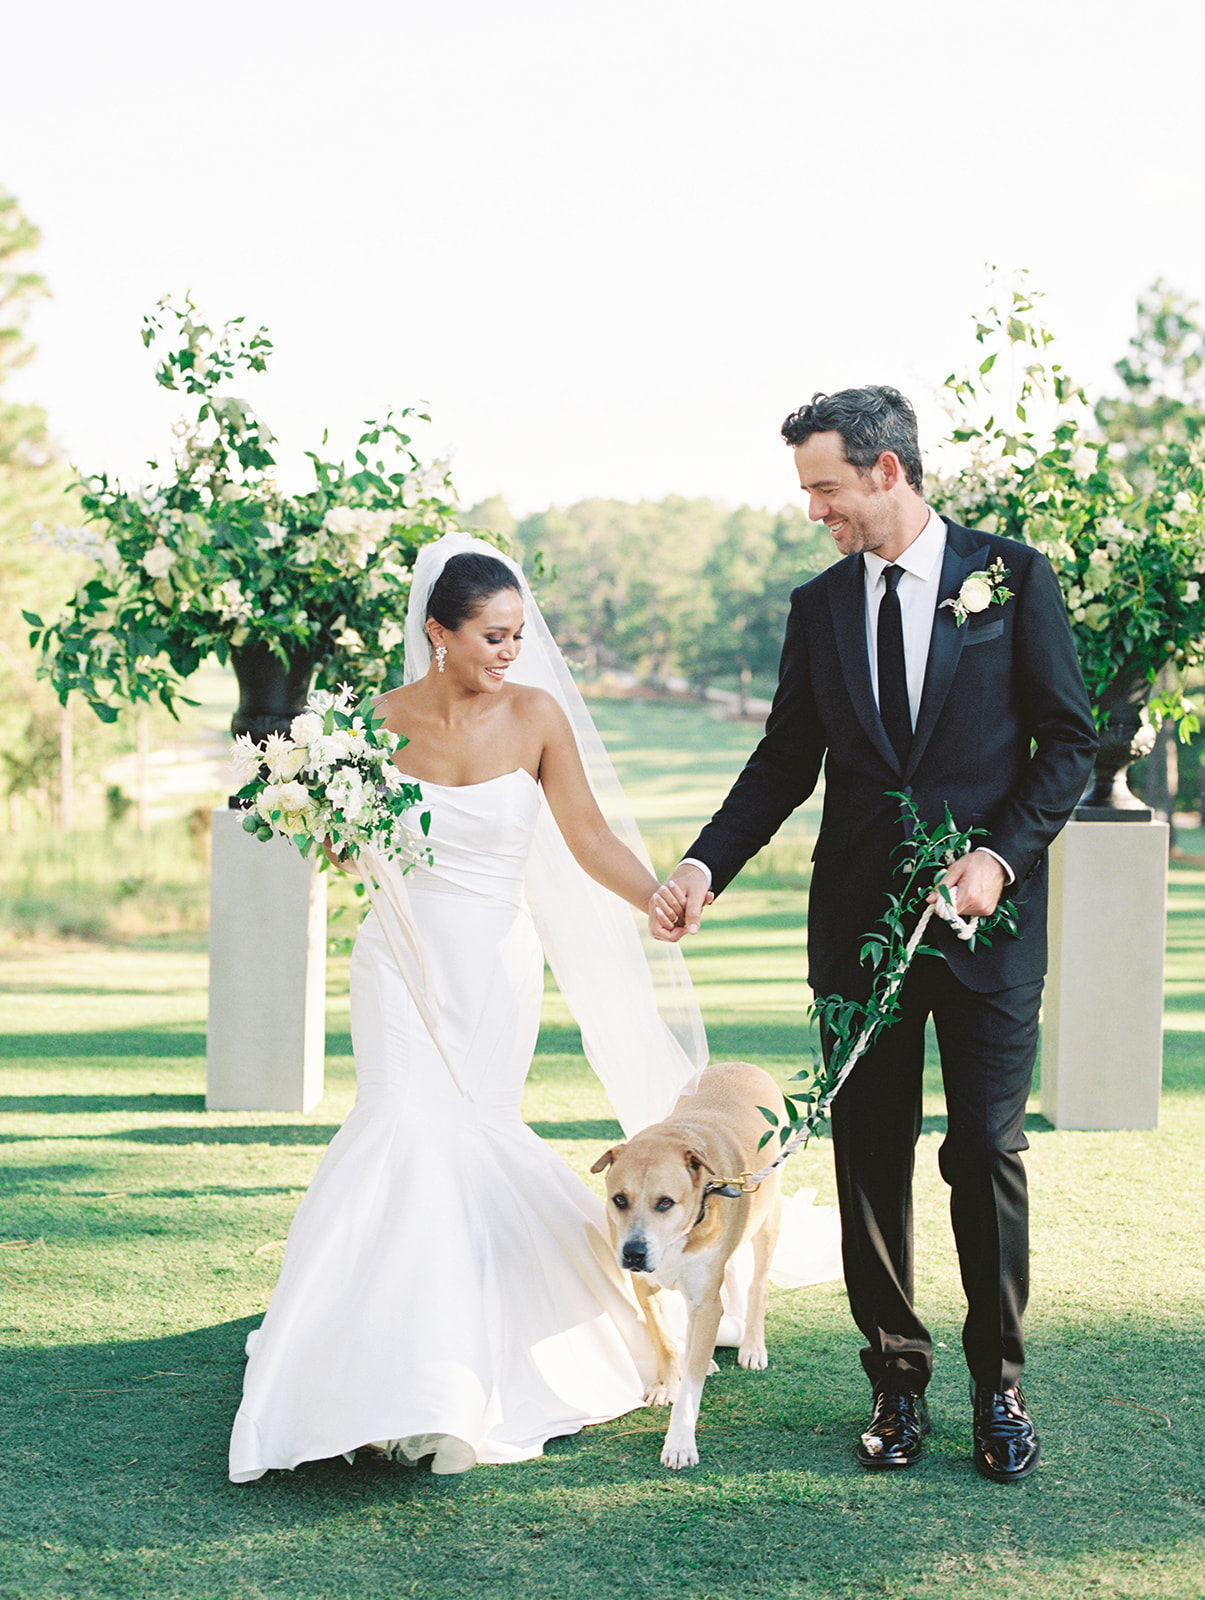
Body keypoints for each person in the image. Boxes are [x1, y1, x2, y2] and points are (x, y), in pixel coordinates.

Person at [650, 386, 1097, 1482]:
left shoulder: (1010, 575)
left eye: (824, 487)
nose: (813, 510)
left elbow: (1068, 744)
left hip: (986, 928)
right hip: (856, 934)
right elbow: (780, 763)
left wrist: (996, 857)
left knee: (982, 1149)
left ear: (886, 472)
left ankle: (999, 1386)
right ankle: (896, 1383)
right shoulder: (814, 609)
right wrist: (704, 862)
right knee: (865, 1160)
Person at [228, 532, 718, 1479]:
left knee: (471, 1132)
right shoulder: (373, 722)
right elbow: (343, 852)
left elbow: (584, 836)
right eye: (491, 636)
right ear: (438, 633)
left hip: (494, 965)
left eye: (516, 635)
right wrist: (325, 820)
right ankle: (388, 1370)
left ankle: (464, 1365)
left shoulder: (536, 718)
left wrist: (652, 893)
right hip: (397, 965)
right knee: (400, 1126)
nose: (507, 653)